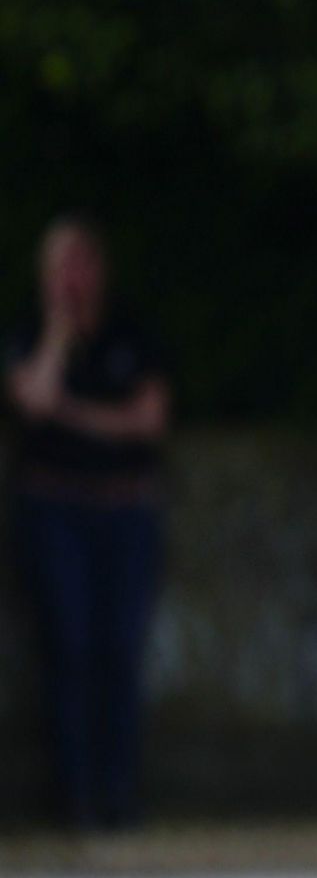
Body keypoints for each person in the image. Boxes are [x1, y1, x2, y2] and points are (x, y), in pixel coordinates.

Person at [4, 217, 171, 830]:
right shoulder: (29, 334)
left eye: (82, 262)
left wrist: (71, 416)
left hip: (125, 510)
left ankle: (119, 795)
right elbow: (34, 402)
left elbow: (148, 421)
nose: (74, 277)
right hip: (57, 513)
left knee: (119, 653)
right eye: (61, 266)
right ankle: (73, 797)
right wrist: (56, 333)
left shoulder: (132, 331)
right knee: (67, 651)